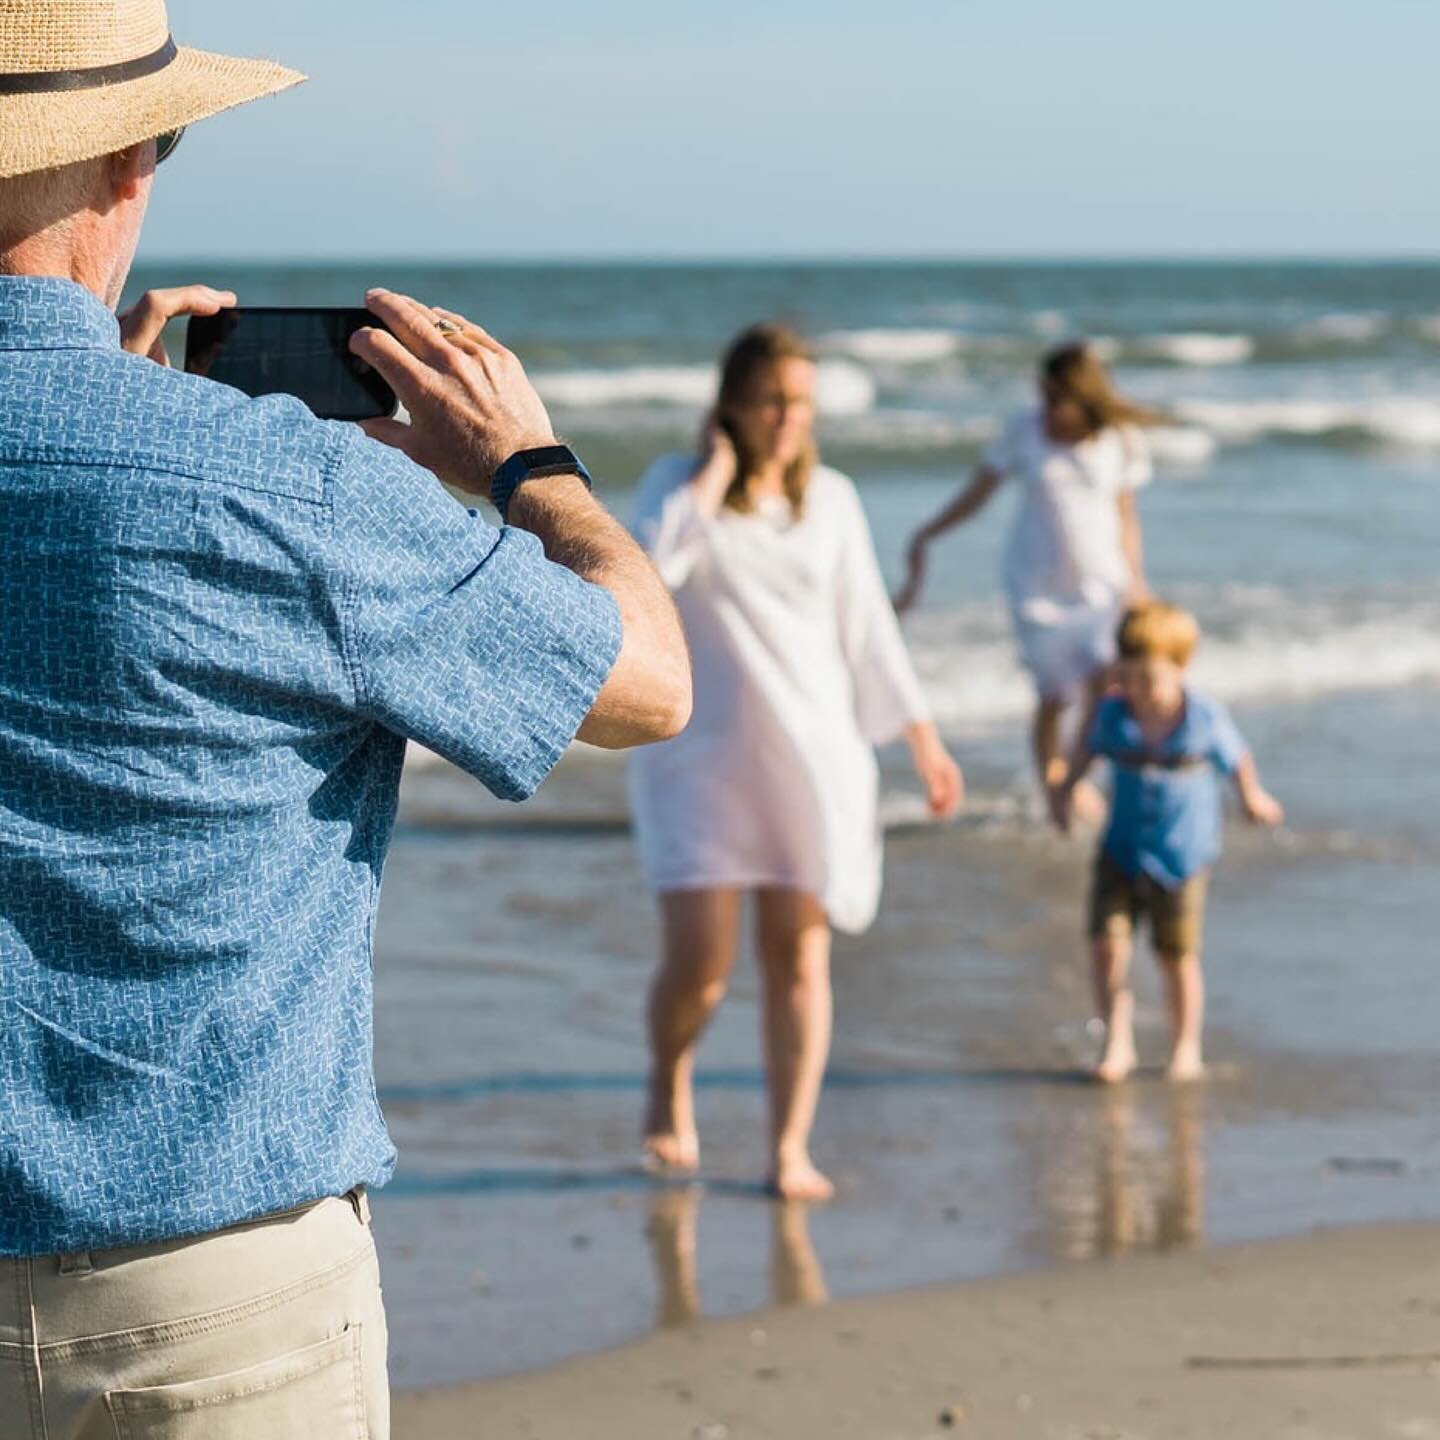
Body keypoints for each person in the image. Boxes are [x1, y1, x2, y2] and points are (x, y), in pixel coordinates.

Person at [0, 5, 690, 1437]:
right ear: (129, 164)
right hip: (208, 1289)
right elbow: (642, 683)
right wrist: (528, 467)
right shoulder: (277, 487)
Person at [630, 323, 964, 1202]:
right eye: (773, 400)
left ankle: (788, 1147)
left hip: (815, 755)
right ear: (733, 404)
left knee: (801, 960)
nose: (789, 418)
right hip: (703, 764)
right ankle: (669, 1085)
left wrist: (922, 739)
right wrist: (709, 476)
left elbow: (867, 630)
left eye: (803, 403)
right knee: (701, 966)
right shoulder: (679, 488)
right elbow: (643, 576)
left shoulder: (836, 502)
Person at [895, 342, 1163, 805]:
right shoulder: (1024, 426)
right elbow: (978, 492)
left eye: (1059, 398)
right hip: (1036, 585)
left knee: (1104, 684)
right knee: (1053, 695)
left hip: (1101, 583)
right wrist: (929, 531)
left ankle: (1073, 782)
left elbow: (1127, 515)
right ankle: (1052, 786)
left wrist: (1136, 579)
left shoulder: (1118, 438)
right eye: (1046, 395)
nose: (1050, 408)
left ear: (1084, 396)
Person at [1049, 603, 1284, 1083]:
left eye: (1148, 679)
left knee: (1176, 956)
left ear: (1182, 668)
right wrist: (1064, 791)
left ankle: (1185, 1046)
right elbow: (1084, 752)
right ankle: (1117, 1040)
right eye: (1127, 677)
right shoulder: (1114, 715)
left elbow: (1237, 759)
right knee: (1105, 945)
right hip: (1120, 849)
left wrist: (1251, 797)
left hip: (1183, 856)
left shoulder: (1203, 719)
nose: (1138, 690)